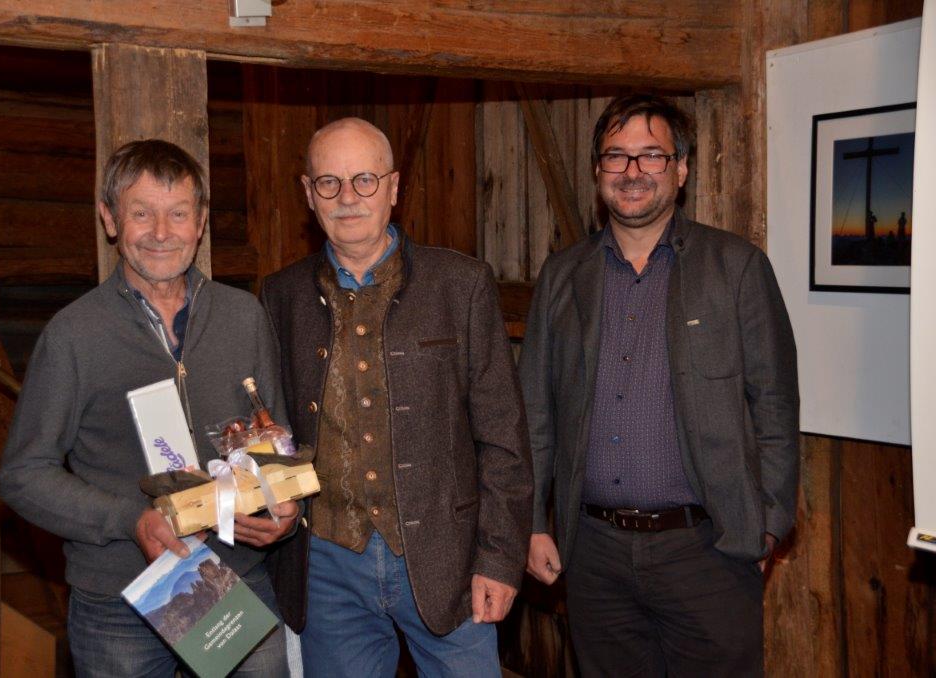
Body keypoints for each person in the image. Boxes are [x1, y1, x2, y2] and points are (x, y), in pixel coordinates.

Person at [518, 94, 800, 677]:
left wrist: (768, 528)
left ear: (682, 168)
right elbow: (535, 415)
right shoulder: (563, 277)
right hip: (592, 555)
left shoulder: (737, 268)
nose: (632, 171)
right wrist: (533, 524)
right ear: (598, 170)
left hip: (708, 553)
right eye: (616, 156)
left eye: (651, 155)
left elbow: (774, 405)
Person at [0, 139, 298, 677]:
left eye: (178, 213)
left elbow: (272, 436)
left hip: (234, 583)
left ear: (200, 222)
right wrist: (128, 519)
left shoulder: (243, 317)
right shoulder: (72, 335)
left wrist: (283, 507)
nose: (162, 232)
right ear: (110, 219)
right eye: (141, 213)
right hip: (121, 599)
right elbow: (24, 475)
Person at [260, 117, 532, 677]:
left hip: (448, 560)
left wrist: (500, 558)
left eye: (364, 179)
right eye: (329, 182)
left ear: (394, 187)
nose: (347, 198)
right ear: (308, 194)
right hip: (328, 568)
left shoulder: (461, 284)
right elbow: (270, 426)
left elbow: (504, 436)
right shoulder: (280, 295)